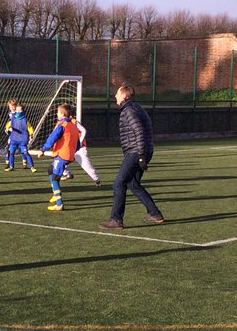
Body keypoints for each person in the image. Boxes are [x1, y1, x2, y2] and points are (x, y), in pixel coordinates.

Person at [100, 84, 164, 229]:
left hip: (136, 151)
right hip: (143, 150)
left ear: (125, 95)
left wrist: (141, 155)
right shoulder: (136, 108)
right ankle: (155, 214)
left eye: (117, 93)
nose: (115, 96)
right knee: (133, 184)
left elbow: (139, 131)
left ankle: (116, 220)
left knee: (118, 183)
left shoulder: (129, 110)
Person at [36, 103, 80, 212]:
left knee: (55, 178)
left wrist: (43, 149)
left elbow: (52, 138)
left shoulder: (62, 125)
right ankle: (56, 194)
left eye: (58, 112)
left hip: (62, 155)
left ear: (62, 113)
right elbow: (78, 142)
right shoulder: (73, 125)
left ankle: (59, 203)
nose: (56, 114)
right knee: (50, 170)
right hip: (69, 155)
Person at [60, 116, 101, 187]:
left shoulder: (73, 121)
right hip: (70, 147)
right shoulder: (62, 123)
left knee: (86, 165)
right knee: (60, 158)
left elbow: (83, 130)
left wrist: (80, 141)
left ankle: (97, 180)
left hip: (79, 148)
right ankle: (66, 174)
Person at [4, 99, 37, 173]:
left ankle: (32, 167)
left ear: (23, 111)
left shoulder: (25, 120)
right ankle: (11, 166)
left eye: (19, 111)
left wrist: (31, 135)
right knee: (11, 153)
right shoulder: (12, 118)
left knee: (25, 153)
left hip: (22, 140)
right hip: (14, 139)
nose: (18, 112)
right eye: (17, 111)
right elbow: (7, 125)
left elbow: (30, 128)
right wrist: (7, 128)